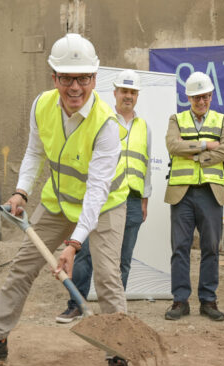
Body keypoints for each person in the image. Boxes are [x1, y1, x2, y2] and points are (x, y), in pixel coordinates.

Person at [0, 34, 133, 366]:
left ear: (95, 79)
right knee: (22, 266)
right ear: (54, 78)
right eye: (66, 78)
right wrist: (22, 191)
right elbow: (34, 153)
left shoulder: (107, 125)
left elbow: (96, 192)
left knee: (109, 278)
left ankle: (118, 356)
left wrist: (73, 244)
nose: (75, 87)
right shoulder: (41, 106)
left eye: (83, 78)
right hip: (58, 201)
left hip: (105, 207)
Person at [55, 69, 152, 324]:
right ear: (115, 93)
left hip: (130, 199)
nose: (128, 96)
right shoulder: (102, 119)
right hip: (98, 198)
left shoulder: (144, 127)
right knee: (84, 252)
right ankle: (76, 303)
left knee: (122, 259)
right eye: (124, 91)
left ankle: (116, 313)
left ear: (137, 95)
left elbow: (147, 166)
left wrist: (145, 199)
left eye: (132, 92)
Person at [164, 71, 224, 321]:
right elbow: (173, 146)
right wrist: (206, 145)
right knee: (180, 248)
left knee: (210, 248)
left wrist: (194, 155)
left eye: (205, 96)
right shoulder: (176, 119)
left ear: (211, 96)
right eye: (196, 97)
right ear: (188, 97)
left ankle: (208, 300)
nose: (201, 101)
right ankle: (180, 301)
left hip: (210, 192)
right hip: (181, 193)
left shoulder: (222, 120)